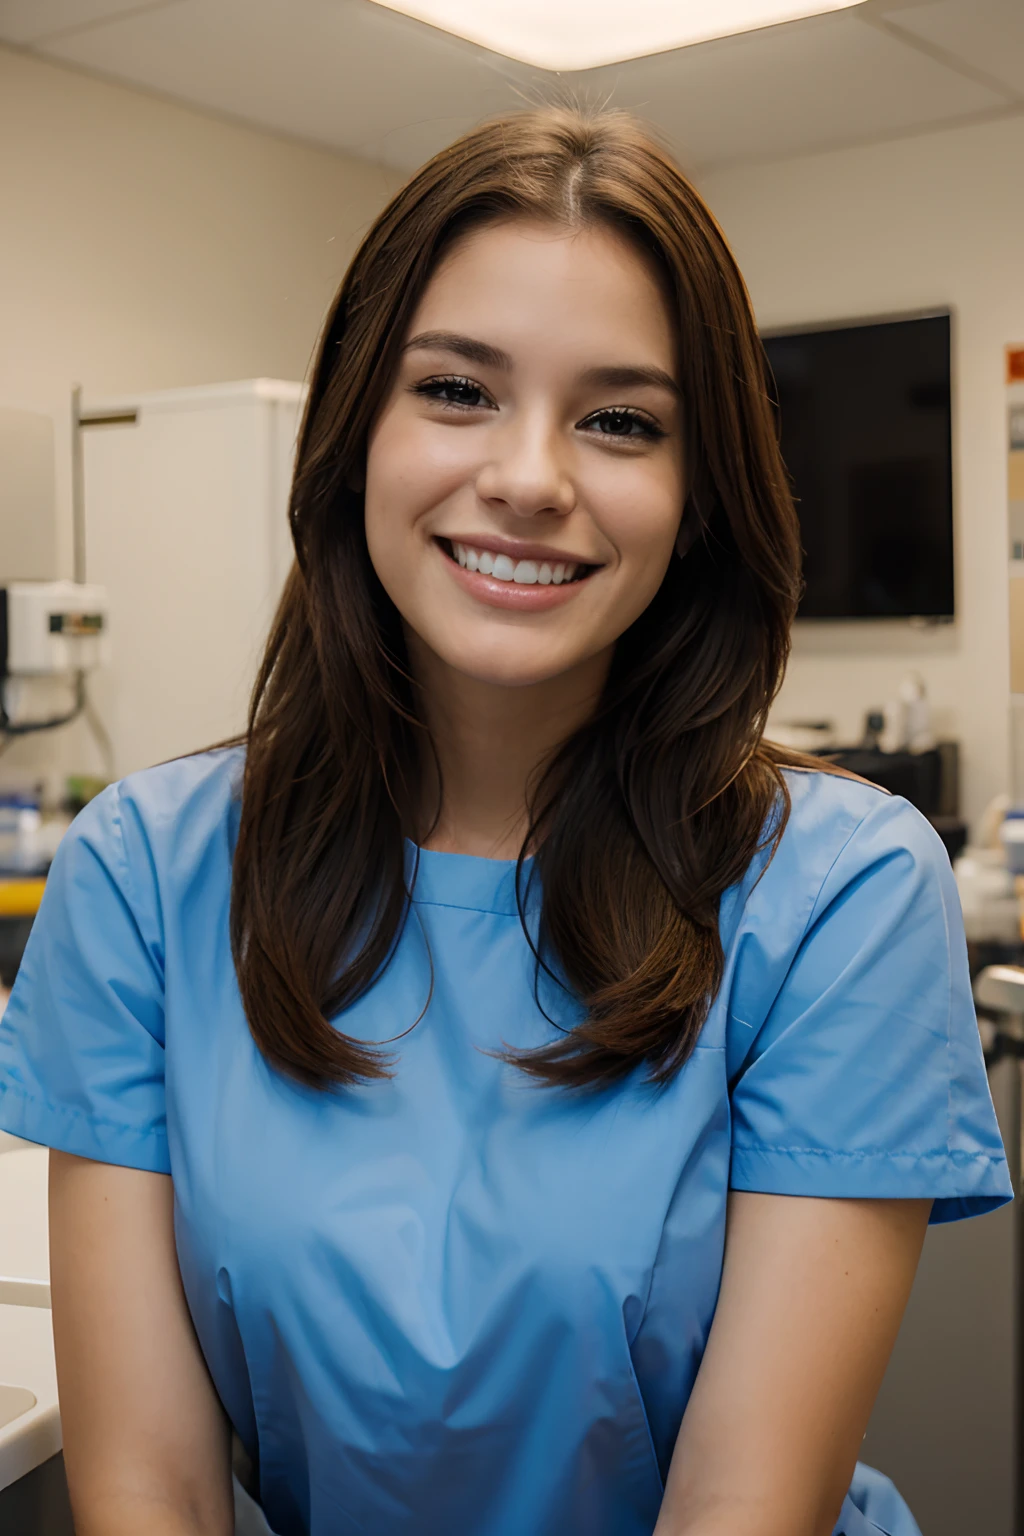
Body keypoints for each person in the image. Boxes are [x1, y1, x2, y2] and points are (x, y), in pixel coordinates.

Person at [0, 106, 1011, 1536]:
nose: (532, 478)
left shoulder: (836, 896)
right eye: (459, 390)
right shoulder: (145, 881)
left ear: (698, 492)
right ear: (359, 432)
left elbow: (741, 1512)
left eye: (620, 420)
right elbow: (150, 1490)